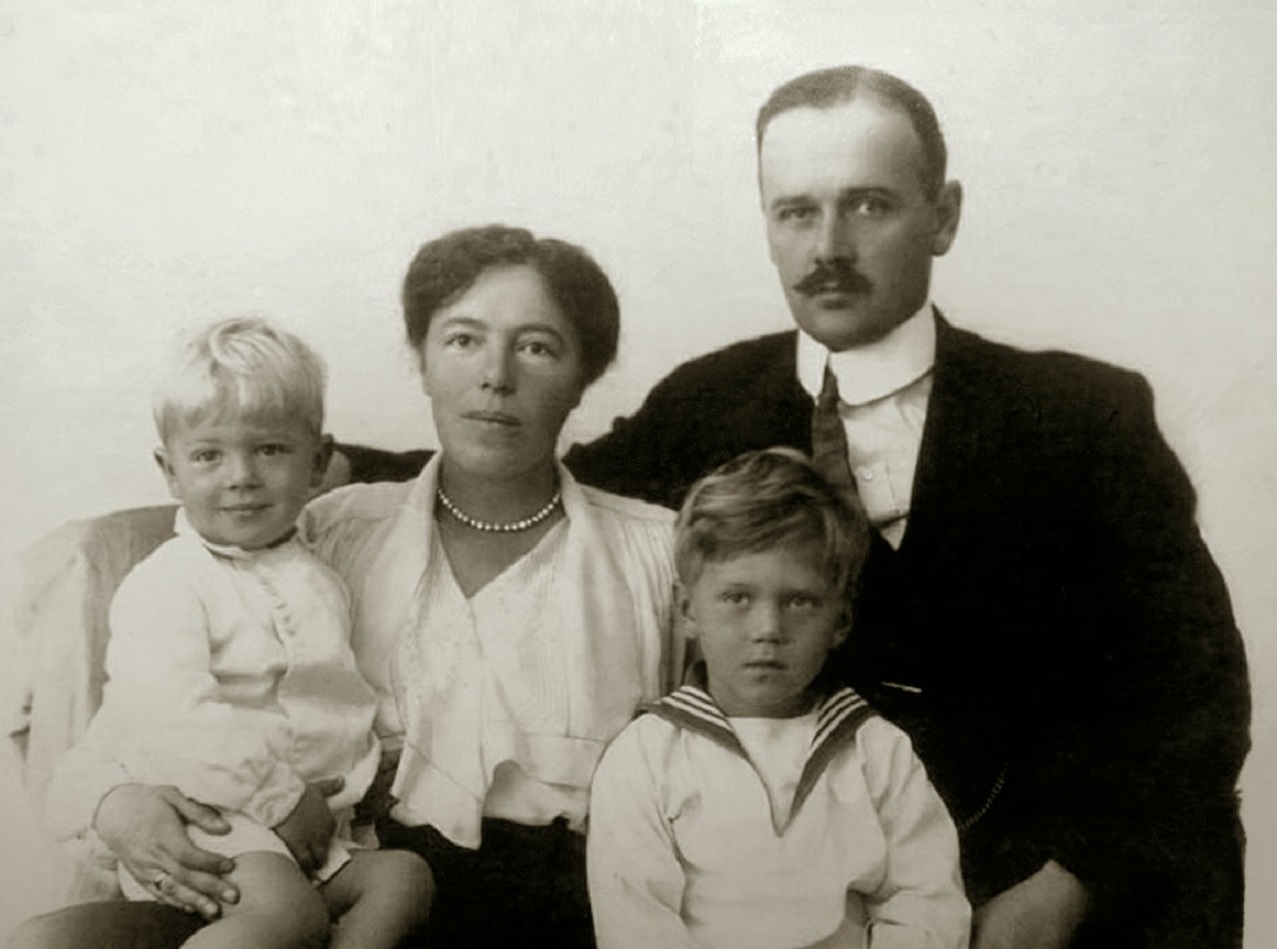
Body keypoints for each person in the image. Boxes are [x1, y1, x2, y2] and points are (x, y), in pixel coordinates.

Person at [336, 66, 1249, 948]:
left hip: (1033, 871)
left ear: (943, 215)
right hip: (791, 882)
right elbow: (527, 468)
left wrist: (1064, 885)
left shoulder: (1078, 415)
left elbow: (1193, 691)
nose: (828, 249)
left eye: (869, 204)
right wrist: (308, 464)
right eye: (796, 211)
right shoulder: (708, 403)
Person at [10, 227, 679, 949]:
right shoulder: (322, 537)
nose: (495, 375)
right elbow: (130, 722)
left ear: (585, 374)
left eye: (537, 345)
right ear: (419, 360)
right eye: (461, 340)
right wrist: (115, 803)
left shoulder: (656, 557)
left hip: (550, 920)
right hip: (337, 891)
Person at [43, 317, 434, 949]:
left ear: (318, 465)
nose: (241, 475)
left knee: (403, 879)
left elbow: (339, 700)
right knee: (286, 919)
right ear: (170, 471)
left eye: (270, 449)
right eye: (208, 455)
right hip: (209, 817)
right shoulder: (168, 583)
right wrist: (279, 800)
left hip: (313, 831)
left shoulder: (320, 578)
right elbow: (176, 720)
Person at [587, 448, 970, 949]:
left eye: (799, 601)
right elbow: (635, 924)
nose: (768, 630)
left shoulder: (877, 751)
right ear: (688, 610)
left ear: (841, 622)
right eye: (738, 598)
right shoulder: (645, 757)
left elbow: (927, 903)